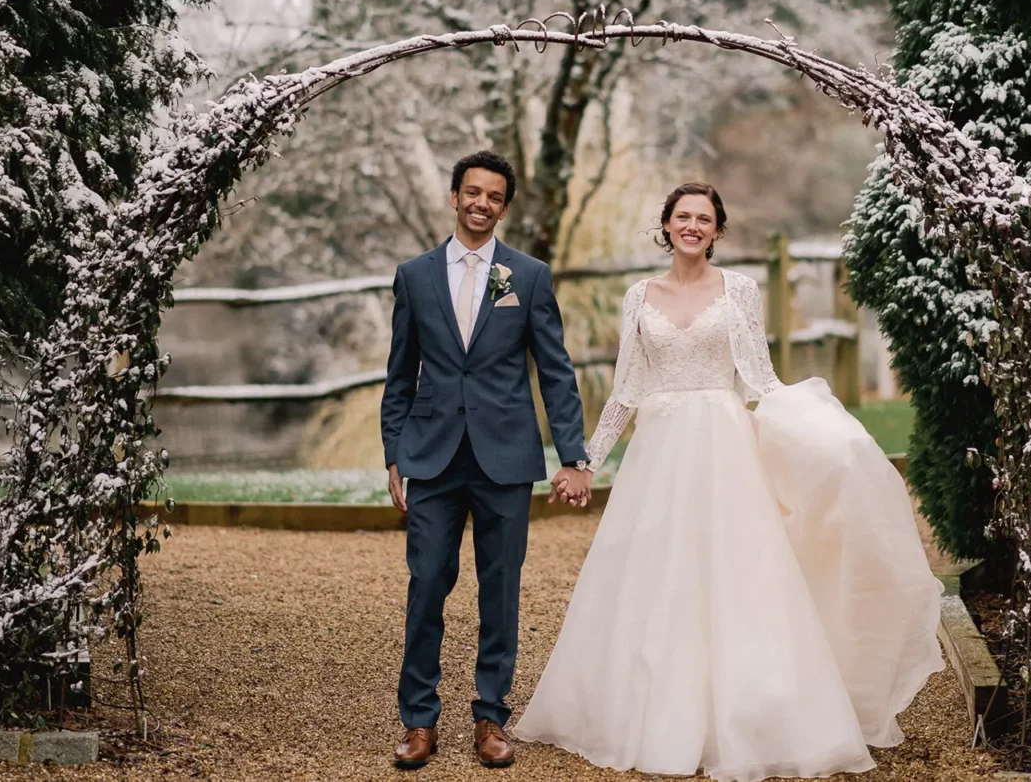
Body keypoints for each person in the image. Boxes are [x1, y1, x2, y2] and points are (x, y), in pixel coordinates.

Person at [516, 182, 946, 781]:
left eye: (705, 218)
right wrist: (585, 461)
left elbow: (760, 379)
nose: (692, 225)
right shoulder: (639, 295)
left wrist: (820, 434)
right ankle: (651, 715)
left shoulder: (740, 290)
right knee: (656, 574)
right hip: (659, 451)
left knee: (740, 575)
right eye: (682, 216)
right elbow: (625, 389)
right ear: (665, 224)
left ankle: (751, 716)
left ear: (718, 230)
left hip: (723, 447)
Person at [380, 151, 591, 770]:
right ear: (454, 197)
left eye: (494, 196)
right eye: (471, 192)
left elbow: (556, 371)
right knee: (427, 587)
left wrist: (572, 455)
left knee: (500, 592)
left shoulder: (527, 276)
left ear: (504, 205)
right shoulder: (414, 276)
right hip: (433, 456)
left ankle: (490, 716)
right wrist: (395, 453)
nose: (481, 203)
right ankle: (419, 721)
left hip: (506, 458)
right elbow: (399, 375)